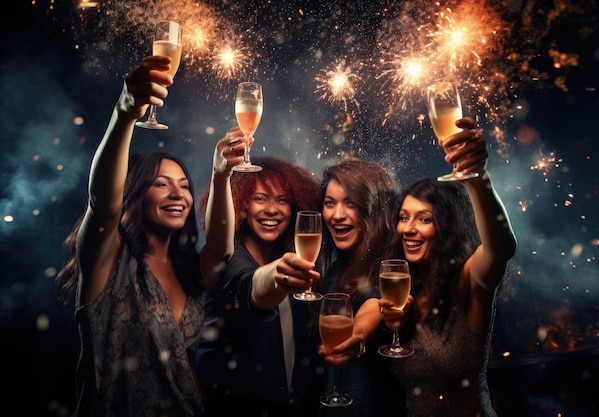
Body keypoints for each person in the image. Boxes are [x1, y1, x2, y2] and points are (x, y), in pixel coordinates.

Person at [55, 55, 246, 417]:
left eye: (185, 186)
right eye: (161, 184)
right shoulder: (110, 261)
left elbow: (221, 249)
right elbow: (103, 204)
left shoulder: (188, 269)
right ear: (135, 195)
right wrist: (124, 113)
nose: (179, 195)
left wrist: (221, 176)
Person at [378, 117, 518, 417]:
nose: (408, 229)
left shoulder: (468, 280)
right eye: (404, 217)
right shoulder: (403, 289)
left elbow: (501, 249)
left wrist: (479, 179)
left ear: (446, 226)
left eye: (424, 219)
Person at [195, 156, 325, 417]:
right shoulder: (228, 259)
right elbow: (252, 286)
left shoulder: (295, 256)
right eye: (261, 198)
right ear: (240, 204)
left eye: (282, 200)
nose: (273, 210)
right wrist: (277, 276)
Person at [311, 157, 406, 416]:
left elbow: (376, 302)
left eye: (350, 203)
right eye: (330, 203)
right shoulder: (335, 267)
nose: (337, 214)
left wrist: (358, 337)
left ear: (374, 208)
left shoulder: (389, 265)